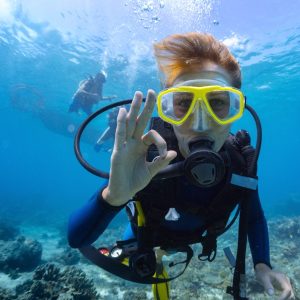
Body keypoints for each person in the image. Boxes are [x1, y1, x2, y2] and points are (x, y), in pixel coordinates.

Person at [68, 33, 295, 299]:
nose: (200, 123)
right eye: (183, 104)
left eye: (218, 103)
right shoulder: (147, 156)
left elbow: (254, 216)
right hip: (148, 235)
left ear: (237, 109)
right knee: (137, 246)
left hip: (199, 235)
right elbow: (77, 239)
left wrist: (262, 264)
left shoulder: (240, 165)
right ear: (167, 111)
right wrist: (113, 197)